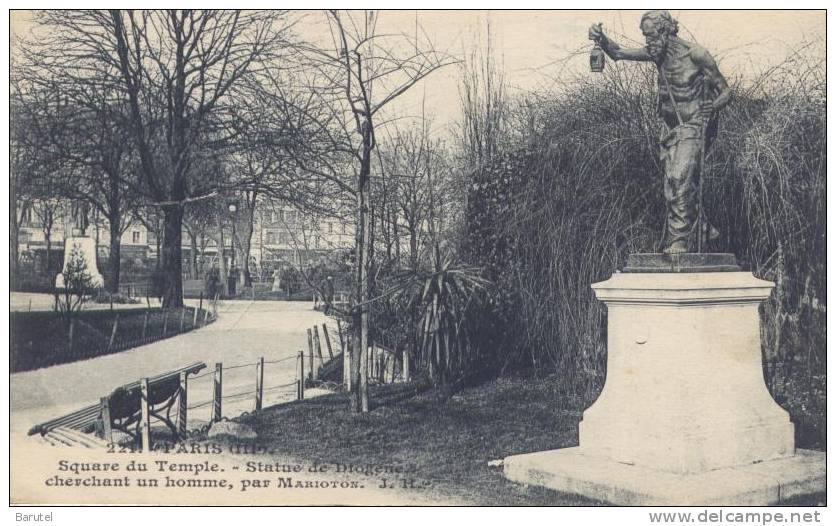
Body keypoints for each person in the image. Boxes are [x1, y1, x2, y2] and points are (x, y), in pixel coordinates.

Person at [589, 10, 730, 254]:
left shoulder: (696, 54)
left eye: (651, 36)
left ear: (665, 32)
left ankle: (679, 242)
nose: (647, 42)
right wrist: (601, 39)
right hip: (670, 130)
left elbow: (726, 91)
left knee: (678, 178)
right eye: (645, 37)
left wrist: (713, 106)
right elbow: (619, 53)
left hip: (694, 125)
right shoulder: (658, 54)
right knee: (673, 185)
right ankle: (704, 228)